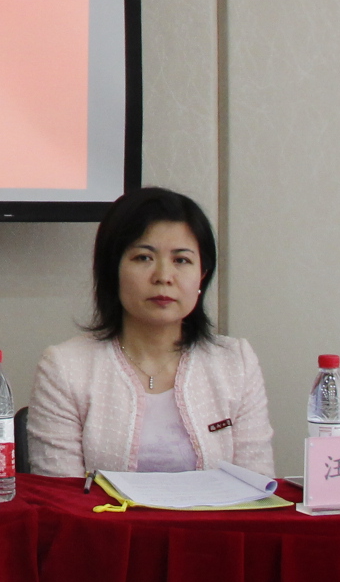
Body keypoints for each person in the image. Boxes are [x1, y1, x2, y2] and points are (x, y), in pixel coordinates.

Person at [26, 187, 271, 478]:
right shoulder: (66, 367)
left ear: (202, 276)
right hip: (100, 512)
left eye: (181, 260)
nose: (163, 277)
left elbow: (257, 485)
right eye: (144, 258)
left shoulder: (235, 362)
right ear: (112, 271)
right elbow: (60, 496)